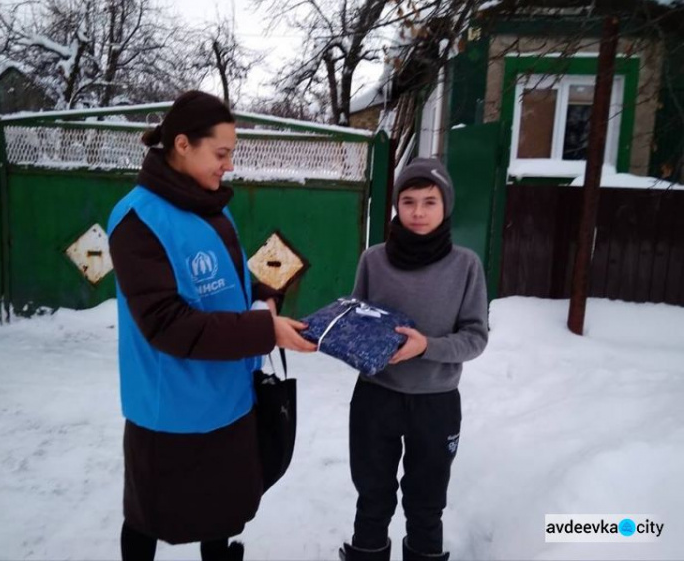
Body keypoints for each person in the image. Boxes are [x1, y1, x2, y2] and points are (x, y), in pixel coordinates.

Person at [107, 90, 316, 561]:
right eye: (221, 154)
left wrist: (264, 296)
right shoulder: (136, 220)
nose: (228, 166)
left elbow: (235, 280)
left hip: (229, 395)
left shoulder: (213, 209)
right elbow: (168, 325)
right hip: (170, 410)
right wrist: (266, 332)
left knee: (222, 508)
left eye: (231, 155)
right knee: (148, 516)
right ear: (183, 144)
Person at [339, 158, 489, 561]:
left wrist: (427, 347)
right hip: (376, 398)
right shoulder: (374, 260)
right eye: (408, 201)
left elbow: (475, 338)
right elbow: (358, 321)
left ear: (446, 207)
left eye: (429, 202)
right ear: (396, 206)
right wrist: (341, 338)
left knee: (426, 504)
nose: (418, 212)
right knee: (372, 498)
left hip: (435, 402)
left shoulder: (465, 266)